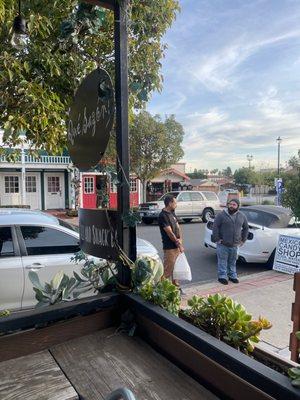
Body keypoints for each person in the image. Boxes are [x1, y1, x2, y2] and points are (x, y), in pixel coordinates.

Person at [212, 198, 249, 285]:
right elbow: (215, 227)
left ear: (238, 206)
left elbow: (246, 228)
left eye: (234, 204)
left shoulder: (242, 216)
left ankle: (232, 276)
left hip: (235, 245)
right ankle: (222, 276)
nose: (231, 206)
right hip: (223, 244)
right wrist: (217, 239)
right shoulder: (221, 215)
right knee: (222, 261)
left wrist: (243, 240)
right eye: (230, 204)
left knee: (233, 261)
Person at [158, 194, 184, 288]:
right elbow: (170, 233)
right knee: (168, 269)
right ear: (170, 203)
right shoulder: (163, 216)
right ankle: (161, 289)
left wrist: (180, 240)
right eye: (175, 202)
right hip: (169, 247)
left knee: (176, 269)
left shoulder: (172, 213)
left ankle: (176, 287)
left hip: (177, 245)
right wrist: (178, 243)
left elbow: (177, 227)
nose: (176, 204)